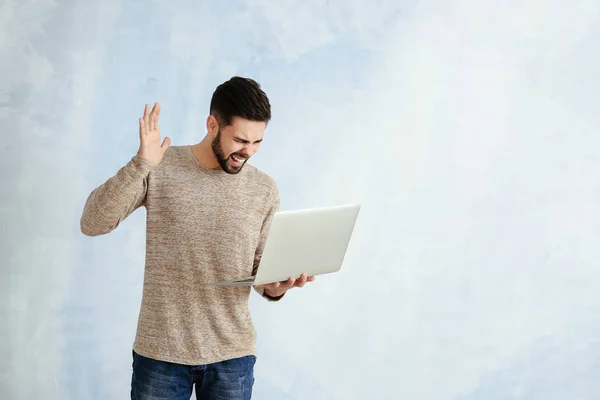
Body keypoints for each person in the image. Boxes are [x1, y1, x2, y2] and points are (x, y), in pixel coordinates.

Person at [80, 76, 315, 400]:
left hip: (233, 356)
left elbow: (261, 270)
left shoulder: (264, 189)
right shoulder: (161, 167)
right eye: (240, 140)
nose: (248, 151)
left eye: (257, 142)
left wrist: (277, 287)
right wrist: (141, 163)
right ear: (212, 125)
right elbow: (93, 222)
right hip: (160, 353)